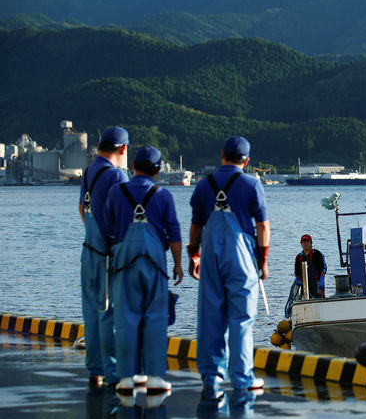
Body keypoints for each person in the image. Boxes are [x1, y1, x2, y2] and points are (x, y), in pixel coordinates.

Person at [187, 136, 270, 393]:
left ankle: (211, 377)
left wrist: (194, 256)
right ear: (247, 160)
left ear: (222, 155)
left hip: (211, 256)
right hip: (242, 258)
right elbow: (263, 226)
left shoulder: (203, 186)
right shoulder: (252, 184)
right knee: (242, 318)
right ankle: (242, 378)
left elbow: (196, 226)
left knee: (210, 317)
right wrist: (263, 260)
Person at [104, 146, 183, 395]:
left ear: (134, 165)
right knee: (155, 319)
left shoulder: (117, 191)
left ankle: (126, 377)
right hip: (155, 261)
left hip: (124, 261)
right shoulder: (163, 195)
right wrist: (179, 264)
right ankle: (155, 377)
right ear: (159, 170)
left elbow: (107, 228)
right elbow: (174, 234)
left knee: (125, 318)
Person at [79, 126, 129, 387]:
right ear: (123, 149)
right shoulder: (117, 177)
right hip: (109, 255)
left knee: (91, 312)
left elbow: (82, 208)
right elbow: (123, 217)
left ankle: (95, 371)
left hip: (88, 251)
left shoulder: (88, 173)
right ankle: (112, 374)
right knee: (110, 313)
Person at [294, 234, 326, 298]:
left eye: (307, 242)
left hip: (316, 284)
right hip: (304, 285)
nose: (306, 244)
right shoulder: (299, 257)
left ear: (311, 243)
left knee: (319, 299)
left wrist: (322, 279)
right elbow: (297, 271)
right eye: (304, 242)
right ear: (301, 243)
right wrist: (297, 280)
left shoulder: (317, 254)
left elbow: (323, 268)